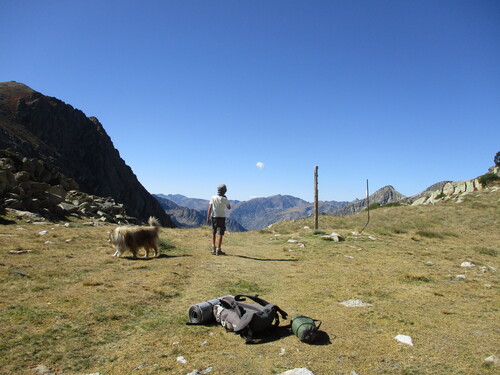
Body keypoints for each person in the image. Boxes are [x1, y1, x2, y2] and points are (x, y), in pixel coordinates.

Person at [206, 184, 231, 255]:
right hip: (222, 217)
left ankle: (213, 248)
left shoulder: (213, 197)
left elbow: (210, 208)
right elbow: (229, 207)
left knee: (213, 232)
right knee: (220, 233)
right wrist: (225, 199)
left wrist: (208, 217)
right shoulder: (224, 198)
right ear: (224, 191)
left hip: (214, 217)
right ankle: (218, 249)